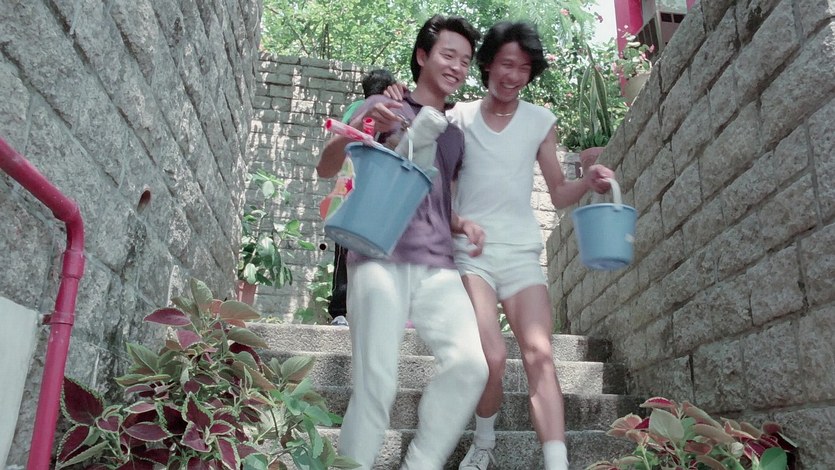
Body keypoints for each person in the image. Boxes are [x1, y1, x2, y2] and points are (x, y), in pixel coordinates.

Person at [385, 20, 615, 470]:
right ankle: (484, 442)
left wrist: (587, 181)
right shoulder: (458, 118)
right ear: (488, 63)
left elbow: (558, 193)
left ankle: (557, 463)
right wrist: (394, 94)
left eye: (524, 68)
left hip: (521, 255)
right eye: (507, 64)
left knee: (540, 354)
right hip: (471, 254)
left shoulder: (540, 122)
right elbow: (432, 173)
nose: (514, 76)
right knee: (491, 357)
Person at [315, 15, 488, 469]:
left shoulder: (455, 135)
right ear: (422, 56)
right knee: (376, 384)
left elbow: (435, 199)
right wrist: (365, 120)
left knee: (472, 364)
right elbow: (326, 167)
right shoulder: (384, 104)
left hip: (438, 264)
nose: (457, 67)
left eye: (465, 61)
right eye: (448, 55)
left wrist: (461, 224)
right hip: (378, 254)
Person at [328, 68, 397, 327]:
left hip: (348, 188)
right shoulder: (388, 112)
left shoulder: (354, 109)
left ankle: (339, 312)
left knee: (344, 251)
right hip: (374, 192)